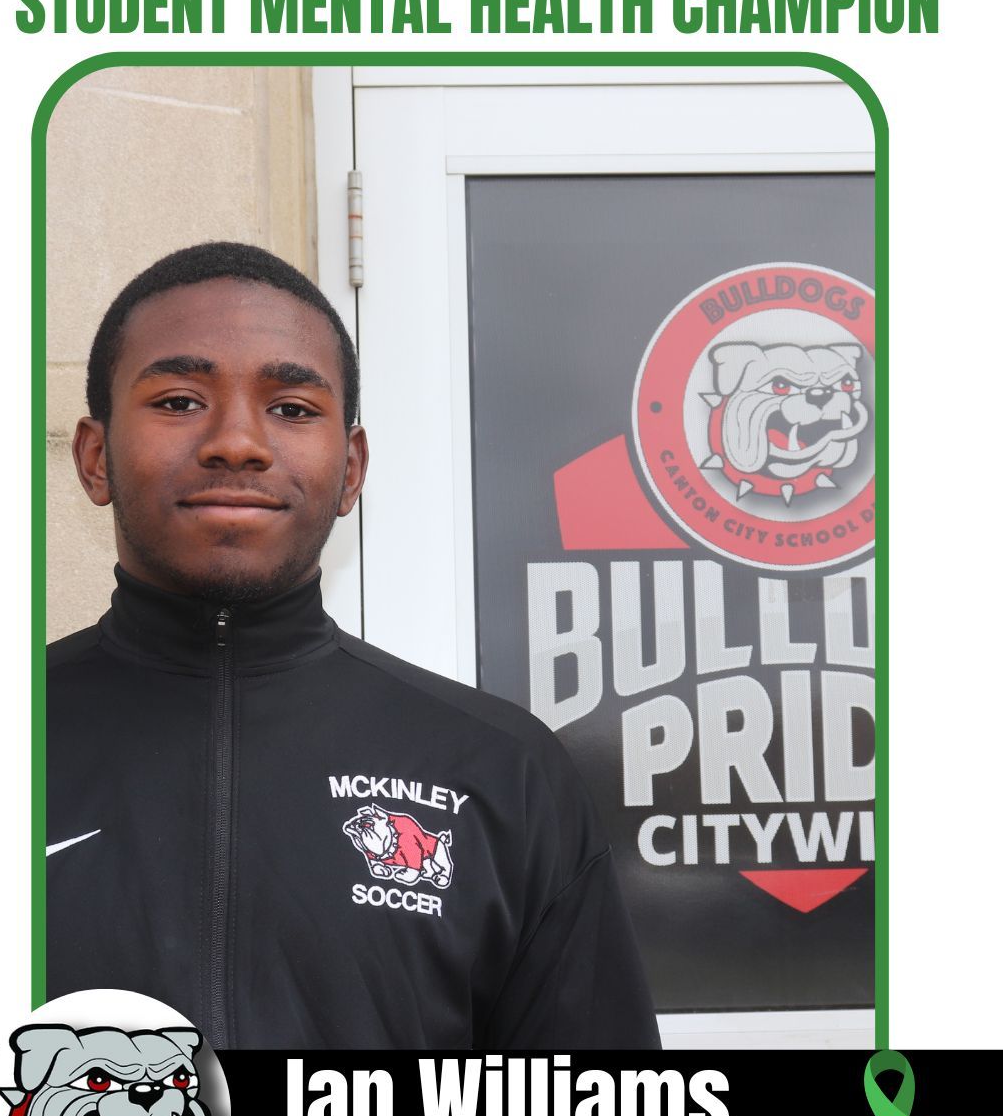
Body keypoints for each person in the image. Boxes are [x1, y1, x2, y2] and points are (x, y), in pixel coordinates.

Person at [47, 242, 660, 1051]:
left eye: (293, 409)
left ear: (351, 471)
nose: (238, 442)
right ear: (95, 458)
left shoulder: (501, 771)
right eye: (179, 400)